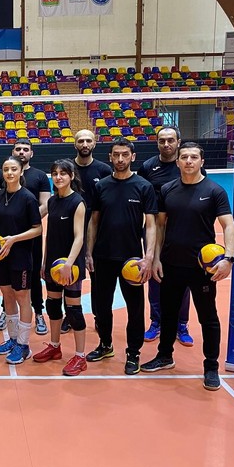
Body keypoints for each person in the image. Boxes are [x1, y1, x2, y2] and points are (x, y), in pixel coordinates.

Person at [140, 143, 234, 391]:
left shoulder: (214, 191)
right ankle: (165, 356)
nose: (189, 161)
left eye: (194, 157)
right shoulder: (167, 189)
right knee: (168, 314)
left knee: (208, 317)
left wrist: (228, 258)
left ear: (202, 161)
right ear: (178, 162)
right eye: (184, 157)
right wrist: (156, 258)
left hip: (202, 269)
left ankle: (211, 367)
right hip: (171, 264)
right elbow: (160, 226)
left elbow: (228, 225)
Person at [85, 138, 156, 375]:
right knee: (102, 306)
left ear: (132, 157)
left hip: (132, 260)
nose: (120, 159)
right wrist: (88, 252)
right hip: (103, 256)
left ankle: (133, 353)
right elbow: (93, 221)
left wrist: (148, 257)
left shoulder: (143, 186)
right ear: (110, 157)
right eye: (116, 154)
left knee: (135, 309)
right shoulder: (101, 186)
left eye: (125, 154)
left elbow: (151, 225)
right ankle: (105, 345)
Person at [137, 126, 194, 346]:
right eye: (162, 141)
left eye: (170, 140)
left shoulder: (186, 165)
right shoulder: (147, 167)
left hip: (182, 229)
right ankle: (156, 321)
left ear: (178, 141)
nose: (166, 144)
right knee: (154, 275)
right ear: (157, 143)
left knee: (183, 277)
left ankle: (181, 323)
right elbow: (140, 195)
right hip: (154, 228)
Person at [32, 160, 89, 375]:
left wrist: (68, 263)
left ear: (71, 176)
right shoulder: (52, 201)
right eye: (55, 173)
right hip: (53, 264)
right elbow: (49, 235)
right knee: (53, 305)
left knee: (73, 311)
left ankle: (80, 357)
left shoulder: (78, 202)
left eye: (63, 173)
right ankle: (54, 347)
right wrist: (45, 262)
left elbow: (79, 237)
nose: (58, 177)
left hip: (71, 266)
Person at [0, 139, 51, 335]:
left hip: (25, 242)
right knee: (7, 289)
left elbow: (43, 209)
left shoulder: (36, 183)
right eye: (18, 149)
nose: (22, 152)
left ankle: (37, 315)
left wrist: (23, 222)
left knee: (29, 281)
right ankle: (9, 323)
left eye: (26, 149)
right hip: (2, 244)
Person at [0, 157, 42, 364]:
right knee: (7, 295)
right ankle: (12, 340)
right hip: (0, 255)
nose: (9, 173)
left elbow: (37, 229)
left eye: (13, 169)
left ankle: (23, 345)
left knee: (22, 297)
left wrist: (14, 239)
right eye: (6, 170)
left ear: (20, 172)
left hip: (20, 255)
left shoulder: (28, 198)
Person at [72, 129, 112, 334]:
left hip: (98, 231)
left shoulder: (104, 170)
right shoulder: (68, 168)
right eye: (81, 141)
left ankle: (99, 316)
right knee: (70, 275)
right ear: (75, 144)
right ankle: (70, 315)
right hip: (72, 230)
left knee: (98, 278)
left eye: (88, 140)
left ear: (94, 143)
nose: (85, 144)